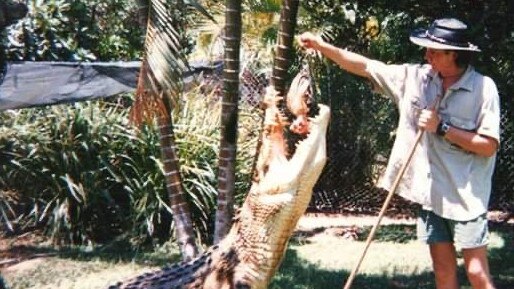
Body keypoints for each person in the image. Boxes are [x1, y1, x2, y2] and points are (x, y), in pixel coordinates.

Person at [298, 18, 500, 289]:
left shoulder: (483, 89)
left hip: (465, 198)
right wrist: (323, 47)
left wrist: (443, 128)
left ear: (455, 53)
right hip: (431, 196)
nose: (426, 55)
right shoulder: (415, 77)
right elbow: (366, 66)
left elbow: (488, 146)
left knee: (476, 272)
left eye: (434, 51)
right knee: (442, 271)